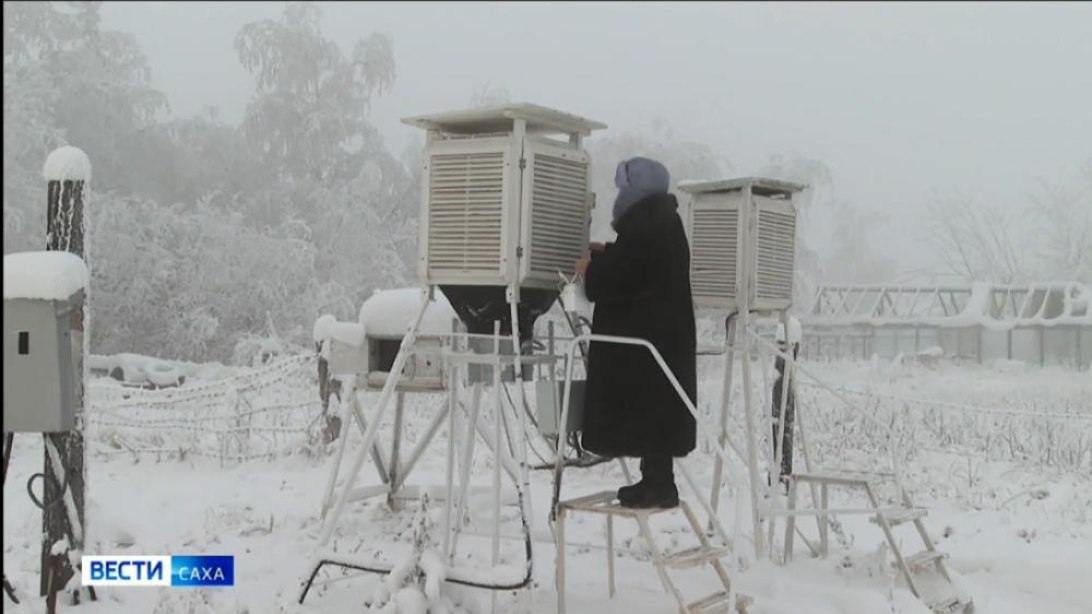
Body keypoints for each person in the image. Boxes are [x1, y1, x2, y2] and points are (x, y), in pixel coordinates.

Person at [574, 157, 697, 509]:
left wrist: (592, 270)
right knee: (656, 416)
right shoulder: (663, 221)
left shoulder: (645, 223)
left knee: (648, 411)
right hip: (662, 340)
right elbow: (641, 264)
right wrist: (609, 252)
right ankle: (657, 483)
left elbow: (627, 276)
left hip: (645, 345)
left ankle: (657, 486)